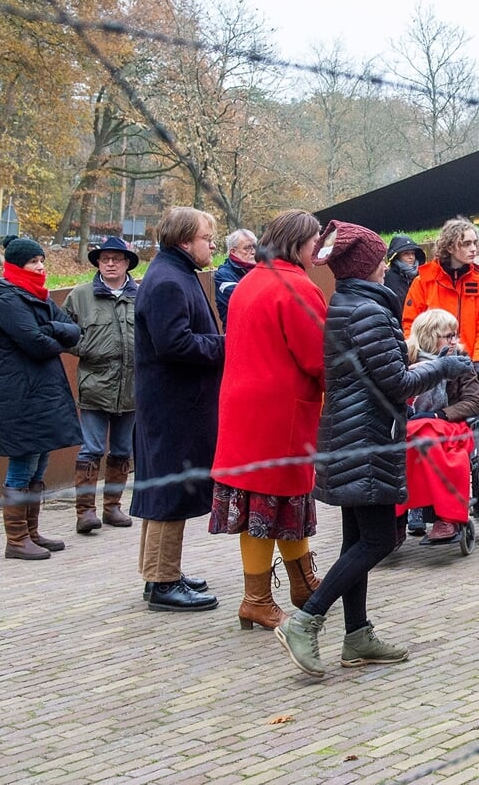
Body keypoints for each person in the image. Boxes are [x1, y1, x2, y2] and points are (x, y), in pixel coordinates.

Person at [275, 220, 472, 679]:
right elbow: (397, 383)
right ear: (367, 267)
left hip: (349, 437)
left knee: (355, 540)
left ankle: (357, 634)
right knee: (381, 539)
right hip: (367, 439)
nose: (387, 266)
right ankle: (306, 620)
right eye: (381, 259)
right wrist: (444, 365)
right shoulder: (368, 311)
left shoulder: (349, 304)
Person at [209, 210, 328, 632]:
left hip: (245, 408)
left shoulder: (249, 282)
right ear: (298, 242)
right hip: (280, 412)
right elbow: (318, 358)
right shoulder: (296, 287)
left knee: (267, 501)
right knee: (272, 501)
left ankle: (300, 583)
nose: (318, 248)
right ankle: (257, 599)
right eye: (315, 240)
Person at [133, 206, 224, 612]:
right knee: (170, 491)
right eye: (207, 238)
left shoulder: (172, 272)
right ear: (186, 241)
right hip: (174, 406)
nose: (212, 245)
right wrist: (225, 344)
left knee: (164, 489)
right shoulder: (170, 279)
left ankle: (159, 573)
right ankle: (163, 581)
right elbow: (175, 344)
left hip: (171, 403)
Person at [0, 237, 83, 560]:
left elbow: (74, 330)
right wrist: (55, 335)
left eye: (42, 260)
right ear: (16, 265)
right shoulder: (7, 302)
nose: (41, 267)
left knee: (39, 463)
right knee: (23, 464)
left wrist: (50, 329)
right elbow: (38, 344)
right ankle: (16, 540)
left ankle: (31, 532)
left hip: (44, 394)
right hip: (22, 396)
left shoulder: (36, 297)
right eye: (33, 262)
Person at [63, 236, 140, 534]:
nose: (110, 263)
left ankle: (113, 507)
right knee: (91, 449)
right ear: (97, 262)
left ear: (126, 264)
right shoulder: (80, 296)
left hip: (132, 388)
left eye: (116, 259)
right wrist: (86, 348)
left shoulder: (141, 295)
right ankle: (85, 512)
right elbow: (62, 333)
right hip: (95, 385)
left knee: (122, 450)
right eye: (105, 258)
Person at [403, 308, 479, 544]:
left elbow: (473, 401)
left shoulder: (460, 360)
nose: (454, 341)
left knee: (428, 437)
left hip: (449, 424)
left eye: (455, 335)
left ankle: (444, 517)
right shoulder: (406, 360)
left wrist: (439, 413)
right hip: (409, 423)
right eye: (448, 336)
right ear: (429, 335)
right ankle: (403, 511)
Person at [403, 217, 479, 376]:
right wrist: (415, 357)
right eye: (466, 243)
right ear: (450, 247)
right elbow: (410, 326)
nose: (474, 249)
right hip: (430, 365)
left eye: (475, 243)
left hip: (467, 365)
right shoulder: (424, 282)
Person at [214, 228, 257, 329]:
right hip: (238, 334)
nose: (253, 252)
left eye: (255, 247)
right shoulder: (223, 275)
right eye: (247, 248)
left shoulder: (262, 269)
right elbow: (248, 302)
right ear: (233, 251)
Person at [384, 233, 426, 312]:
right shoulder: (388, 278)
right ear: (397, 256)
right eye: (406, 253)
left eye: (413, 253)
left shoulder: (422, 275)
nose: (411, 257)